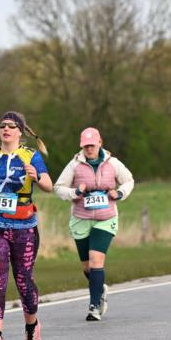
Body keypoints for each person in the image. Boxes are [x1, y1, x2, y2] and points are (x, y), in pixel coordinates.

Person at [0, 112, 52, 340]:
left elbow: (49, 186)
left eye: (11, 126)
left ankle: (32, 325)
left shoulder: (31, 156)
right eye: (2, 126)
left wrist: (36, 176)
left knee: (23, 281)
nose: (6, 129)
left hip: (24, 227)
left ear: (20, 131)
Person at [54, 127, 135, 321]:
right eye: (85, 146)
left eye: (92, 145)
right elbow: (58, 188)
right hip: (81, 218)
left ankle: (94, 306)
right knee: (86, 267)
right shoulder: (74, 165)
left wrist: (120, 193)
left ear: (100, 143)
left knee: (96, 260)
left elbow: (129, 181)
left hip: (106, 219)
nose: (89, 149)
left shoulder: (113, 163)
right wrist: (75, 192)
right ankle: (99, 288)